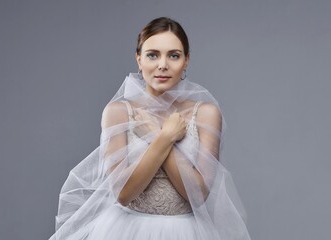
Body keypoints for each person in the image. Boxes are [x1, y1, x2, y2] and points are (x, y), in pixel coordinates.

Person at [49, 17, 251, 240]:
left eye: (173, 55)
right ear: (138, 59)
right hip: (125, 231)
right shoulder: (118, 112)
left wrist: (156, 134)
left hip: (185, 232)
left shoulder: (206, 113)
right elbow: (123, 194)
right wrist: (164, 137)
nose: (162, 64)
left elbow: (198, 195)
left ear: (186, 61)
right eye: (152, 55)